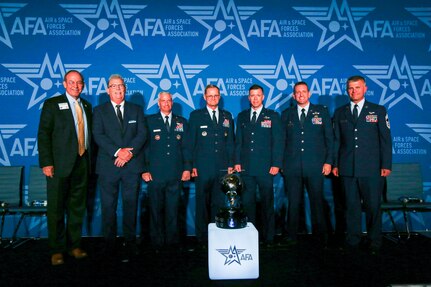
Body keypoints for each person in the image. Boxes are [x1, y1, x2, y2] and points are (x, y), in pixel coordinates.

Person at [38, 70, 92, 266]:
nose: (75, 86)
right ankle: (57, 249)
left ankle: (74, 246)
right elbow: (43, 134)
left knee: (77, 208)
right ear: (64, 83)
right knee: (56, 209)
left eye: (79, 83)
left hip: (82, 163)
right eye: (71, 82)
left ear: (83, 85)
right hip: (58, 166)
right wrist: (46, 162)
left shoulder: (87, 105)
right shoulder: (52, 104)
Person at [332, 75, 392, 254]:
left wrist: (386, 164)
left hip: (372, 168)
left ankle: (374, 241)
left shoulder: (378, 110)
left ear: (365, 88)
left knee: (373, 206)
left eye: (357, 87)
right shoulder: (340, 112)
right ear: (346, 90)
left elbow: (385, 140)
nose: (354, 91)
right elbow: (337, 141)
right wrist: (335, 164)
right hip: (347, 167)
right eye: (350, 88)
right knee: (351, 206)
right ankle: (353, 240)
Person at [92, 74, 147, 262]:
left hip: (131, 166)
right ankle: (109, 245)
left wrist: (128, 154)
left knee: (131, 206)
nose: (118, 89)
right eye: (114, 86)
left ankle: (130, 243)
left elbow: (142, 134)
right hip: (109, 166)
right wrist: (118, 152)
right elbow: (98, 135)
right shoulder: (99, 111)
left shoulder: (136, 109)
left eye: (121, 86)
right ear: (108, 90)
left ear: (125, 89)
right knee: (108, 207)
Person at [281, 81, 333, 245]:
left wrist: (328, 162)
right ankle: (292, 236)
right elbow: (281, 141)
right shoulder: (286, 114)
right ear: (294, 95)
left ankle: (321, 236)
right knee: (293, 202)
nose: (301, 94)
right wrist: (281, 163)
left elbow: (329, 139)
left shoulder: (321, 112)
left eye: (304, 91)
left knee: (317, 201)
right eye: (298, 92)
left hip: (315, 165)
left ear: (309, 94)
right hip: (292, 166)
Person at [234, 84, 283, 246]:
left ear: (263, 97)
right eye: (252, 95)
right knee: (248, 203)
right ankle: (250, 236)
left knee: (267, 202)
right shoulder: (242, 116)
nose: (255, 98)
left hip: (265, 167)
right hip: (247, 167)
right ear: (249, 98)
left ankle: (269, 237)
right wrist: (237, 161)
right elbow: (239, 141)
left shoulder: (272, 116)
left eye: (258, 95)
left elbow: (278, 142)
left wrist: (276, 163)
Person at [142, 91, 191, 251]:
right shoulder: (149, 121)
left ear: (172, 102)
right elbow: (144, 148)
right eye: (163, 101)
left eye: (169, 101)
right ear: (158, 103)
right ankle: (156, 242)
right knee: (155, 209)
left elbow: (186, 148)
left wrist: (187, 168)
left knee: (173, 209)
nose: (166, 103)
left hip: (175, 173)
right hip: (155, 173)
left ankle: (172, 242)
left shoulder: (181, 122)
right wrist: (144, 170)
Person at [188, 84, 235, 248]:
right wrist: (192, 165)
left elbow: (230, 143)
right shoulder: (195, 116)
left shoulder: (227, 116)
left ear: (219, 97)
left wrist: (230, 164)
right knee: (202, 202)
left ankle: (216, 234)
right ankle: (201, 237)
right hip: (202, 166)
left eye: (216, 96)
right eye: (210, 96)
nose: (213, 98)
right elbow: (190, 143)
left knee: (218, 202)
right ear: (205, 97)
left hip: (222, 167)